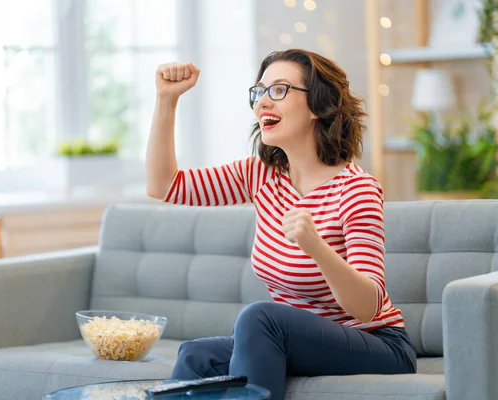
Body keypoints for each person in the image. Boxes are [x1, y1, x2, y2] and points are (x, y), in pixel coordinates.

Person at [145, 49, 417, 400]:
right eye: (259, 92)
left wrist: (316, 248)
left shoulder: (356, 189)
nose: (263, 103)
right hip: (299, 342)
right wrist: (166, 99)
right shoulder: (260, 175)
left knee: (261, 318)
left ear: (319, 104)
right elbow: (164, 185)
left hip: (376, 343)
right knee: (197, 355)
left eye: (279, 90)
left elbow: (368, 306)